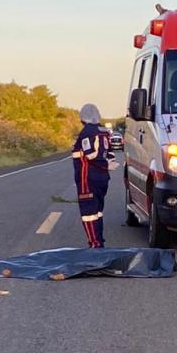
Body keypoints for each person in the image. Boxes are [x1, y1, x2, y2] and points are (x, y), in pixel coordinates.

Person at [72, 104, 113, 248]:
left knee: (88, 214)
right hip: (103, 178)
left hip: (87, 180)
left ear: (82, 118)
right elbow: (110, 154)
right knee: (98, 212)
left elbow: (90, 155)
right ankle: (99, 241)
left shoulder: (86, 133)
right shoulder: (104, 132)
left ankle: (95, 246)